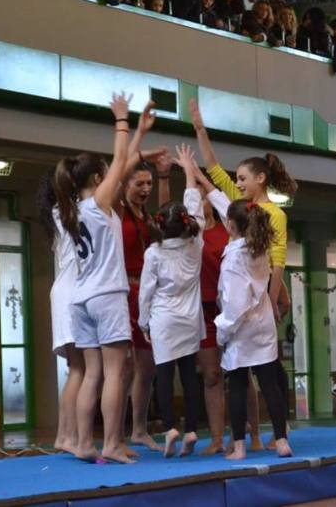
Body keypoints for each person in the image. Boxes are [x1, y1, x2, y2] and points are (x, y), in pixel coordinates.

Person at [190, 98, 296, 448]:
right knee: (262, 375)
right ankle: (275, 437)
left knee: (255, 377)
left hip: (256, 304)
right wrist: (200, 130)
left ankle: (254, 439)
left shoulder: (267, 217)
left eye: (243, 179)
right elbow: (215, 176)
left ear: (261, 179)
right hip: (258, 308)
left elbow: (278, 264)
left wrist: (276, 298)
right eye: (237, 180)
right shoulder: (241, 207)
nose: (238, 183)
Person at [64, 94, 153, 464]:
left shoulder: (74, 209)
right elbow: (120, 162)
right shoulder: (99, 203)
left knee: (91, 374)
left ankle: (84, 442)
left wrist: (140, 134)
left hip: (80, 298)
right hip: (106, 294)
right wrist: (121, 121)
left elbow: (125, 161)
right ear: (99, 180)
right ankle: (112, 442)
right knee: (116, 372)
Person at [188, 159, 264, 454]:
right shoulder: (190, 236)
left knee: (242, 373)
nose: (200, 200)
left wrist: (200, 177)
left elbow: (221, 198)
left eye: (202, 195)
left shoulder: (229, 230)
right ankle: (218, 439)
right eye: (194, 196)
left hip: (232, 309)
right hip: (204, 310)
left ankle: (253, 435)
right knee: (211, 375)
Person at [138, 145, 206, 457]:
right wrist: (189, 171)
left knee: (164, 376)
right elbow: (194, 203)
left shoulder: (154, 253)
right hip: (190, 319)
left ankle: (170, 427)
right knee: (189, 375)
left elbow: (146, 292)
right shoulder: (196, 244)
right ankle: (191, 428)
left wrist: (142, 322)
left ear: (160, 225)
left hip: (164, 319)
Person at [216, 199, 293, 460]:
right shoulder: (260, 249)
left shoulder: (233, 258)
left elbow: (234, 303)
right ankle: (282, 441)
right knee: (269, 384)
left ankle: (239, 446)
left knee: (238, 385)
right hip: (264, 324)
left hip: (242, 327)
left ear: (230, 225)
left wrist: (222, 331)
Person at [117, 146, 170, 452]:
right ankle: (116, 433)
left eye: (149, 184)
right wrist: (138, 153)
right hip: (121, 291)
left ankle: (139, 428)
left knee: (147, 366)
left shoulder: (147, 215)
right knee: (121, 367)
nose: (145, 189)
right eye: (140, 184)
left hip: (145, 294)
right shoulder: (115, 210)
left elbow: (166, 217)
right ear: (125, 185)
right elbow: (119, 171)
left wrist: (164, 175)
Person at [37, 172, 84, 455]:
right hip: (69, 293)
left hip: (64, 291)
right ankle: (68, 435)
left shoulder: (59, 214)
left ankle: (65, 435)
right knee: (81, 369)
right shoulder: (66, 213)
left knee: (76, 369)